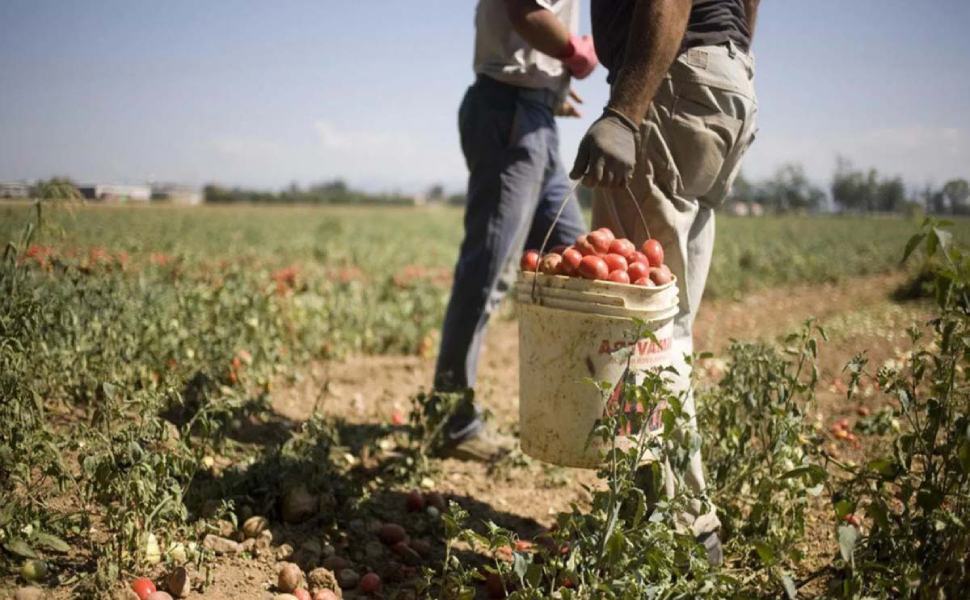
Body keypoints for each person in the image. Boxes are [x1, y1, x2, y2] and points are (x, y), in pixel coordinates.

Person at [570, 0, 760, 565]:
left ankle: (681, 531)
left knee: (641, 328)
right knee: (668, 322)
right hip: (725, 83)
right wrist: (725, 62)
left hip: (672, 80)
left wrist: (625, 113)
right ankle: (660, 514)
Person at [432, 0, 599, 460]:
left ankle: (571, 413)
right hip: (509, 112)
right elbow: (524, 10)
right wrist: (574, 52)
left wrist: (549, 91)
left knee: (574, 263)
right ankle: (452, 421)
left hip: (532, 114)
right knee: (488, 272)